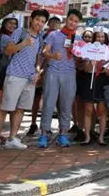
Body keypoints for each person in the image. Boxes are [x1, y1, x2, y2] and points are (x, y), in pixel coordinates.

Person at [0, 10, 49, 153]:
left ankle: (12, 138)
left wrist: (38, 72)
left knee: (20, 108)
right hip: (14, 75)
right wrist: (23, 44)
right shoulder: (19, 32)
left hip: (30, 78)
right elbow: (8, 50)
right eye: (37, 20)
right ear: (31, 19)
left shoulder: (41, 38)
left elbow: (39, 58)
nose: (39, 23)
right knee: (4, 107)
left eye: (42, 21)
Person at [38, 9, 83, 148]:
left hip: (69, 74)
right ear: (66, 19)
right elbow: (44, 51)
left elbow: (80, 59)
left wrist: (83, 57)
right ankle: (44, 134)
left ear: (78, 23)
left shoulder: (79, 39)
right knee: (48, 104)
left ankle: (62, 134)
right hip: (53, 72)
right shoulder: (54, 35)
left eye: (76, 21)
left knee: (66, 105)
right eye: (71, 19)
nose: (72, 23)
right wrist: (52, 56)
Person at [27, 14, 62, 136]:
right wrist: (38, 69)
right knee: (36, 98)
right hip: (38, 70)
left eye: (57, 23)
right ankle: (33, 123)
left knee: (52, 99)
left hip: (53, 72)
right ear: (48, 23)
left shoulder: (61, 38)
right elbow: (38, 54)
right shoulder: (41, 36)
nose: (54, 25)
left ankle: (47, 126)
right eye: (52, 22)